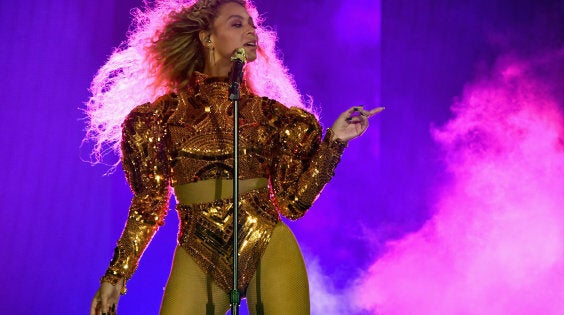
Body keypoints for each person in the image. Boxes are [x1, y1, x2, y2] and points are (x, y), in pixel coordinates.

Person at [87, 0, 383, 314]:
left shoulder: (272, 118)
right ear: (207, 38)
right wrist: (117, 274)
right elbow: (149, 204)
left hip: (267, 244)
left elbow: (292, 203)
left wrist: (334, 143)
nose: (251, 31)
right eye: (237, 23)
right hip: (199, 250)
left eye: (252, 24)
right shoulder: (158, 119)